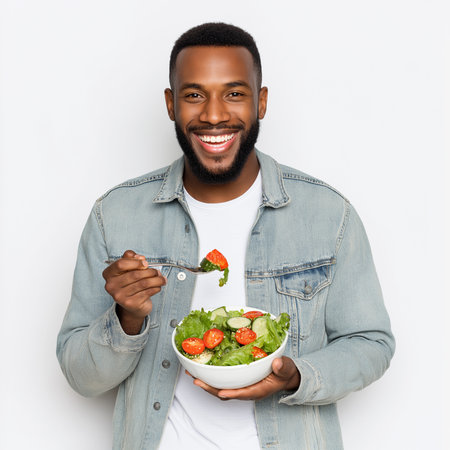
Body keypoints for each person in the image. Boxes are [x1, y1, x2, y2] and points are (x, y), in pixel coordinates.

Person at [57, 22, 395, 450]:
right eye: (194, 94)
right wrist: (127, 318)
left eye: (234, 93)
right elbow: (82, 378)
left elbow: (371, 343)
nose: (214, 114)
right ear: (170, 104)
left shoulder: (328, 214)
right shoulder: (115, 215)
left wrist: (296, 375)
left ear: (262, 101)